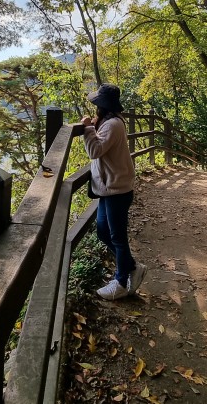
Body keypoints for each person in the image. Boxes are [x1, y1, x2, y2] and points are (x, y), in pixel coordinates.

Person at [80, 83, 146, 300]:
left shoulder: (112, 125)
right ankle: (132, 267)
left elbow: (95, 150)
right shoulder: (110, 122)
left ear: (101, 105)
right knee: (103, 231)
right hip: (110, 189)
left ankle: (121, 281)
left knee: (117, 236)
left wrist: (88, 128)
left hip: (116, 190)